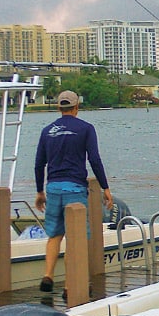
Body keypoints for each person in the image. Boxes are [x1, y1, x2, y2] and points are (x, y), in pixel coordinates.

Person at [34, 90, 114, 293]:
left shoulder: (47, 131)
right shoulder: (86, 129)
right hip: (75, 189)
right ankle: (70, 285)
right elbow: (94, 159)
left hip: (52, 188)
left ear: (59, 108)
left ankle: (48, 275)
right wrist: (105, 187)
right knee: (75, 238)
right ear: (77, 107)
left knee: (54, 235)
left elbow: (38, 164)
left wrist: (39, 191)